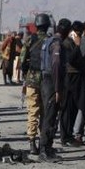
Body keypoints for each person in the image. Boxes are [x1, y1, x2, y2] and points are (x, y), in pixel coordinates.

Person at [20, 14, 56, 155]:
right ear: (47, 26)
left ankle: (32, 143)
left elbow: (23, 60)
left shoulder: (29, 40)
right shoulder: (50, 40)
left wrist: (26, 74)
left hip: (32, 80)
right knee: (45, 113)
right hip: (47, 81)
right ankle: (43, 143)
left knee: (32, 111)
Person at [39, 20, 69, 162]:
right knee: (50, 117)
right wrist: (58, 89)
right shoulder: (57, 44)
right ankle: (44, 150)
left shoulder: (48, 41)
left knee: (49, 115)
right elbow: (56, 65)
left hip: (45, 80)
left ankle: (48, 148)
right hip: (52, 82)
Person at [59, 21, 85, 146]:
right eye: (78, 33)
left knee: (74, 107)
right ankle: (65, 137)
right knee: (66, 109)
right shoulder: (67, 43)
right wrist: (77, 46)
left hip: (76, 78)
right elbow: (71, 60)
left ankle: (69, 135)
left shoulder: (74, 42)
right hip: (69, 78)